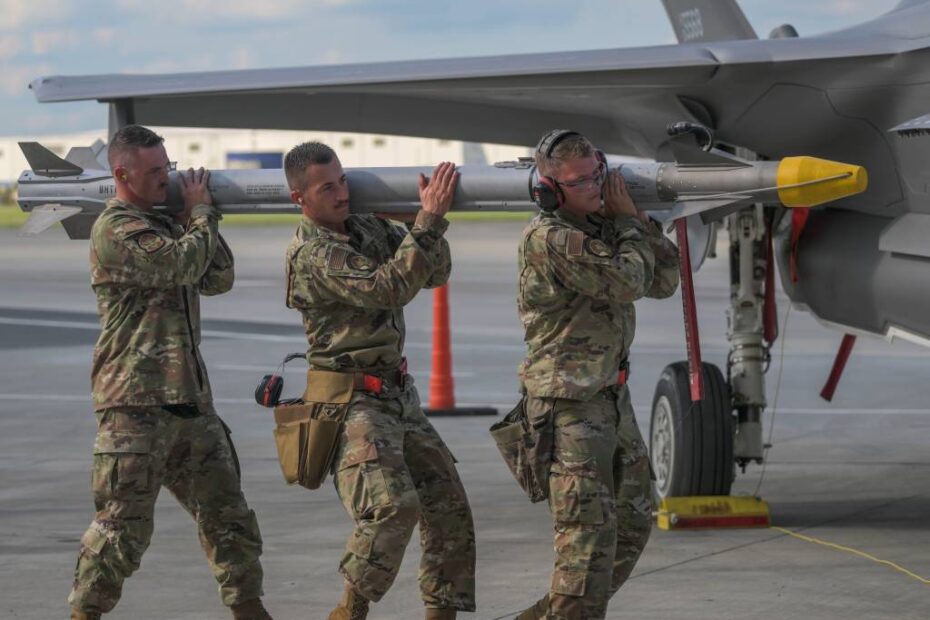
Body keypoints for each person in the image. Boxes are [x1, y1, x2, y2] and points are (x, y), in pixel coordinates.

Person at [68, 125, 270, 620]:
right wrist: (199, 214)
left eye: (169, 167)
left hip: (190, 405)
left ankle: (250, 610)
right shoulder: (116, 228)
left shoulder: (164, 227)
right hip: (134, 410)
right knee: (121, 532)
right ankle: (84, 614)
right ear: (122, 174)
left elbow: (217, 277)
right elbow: (182, 266)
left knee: (230, 521)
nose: (167, 177)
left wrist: (193, 219)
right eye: (155, 171)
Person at [282, 142, 476, 620]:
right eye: (327, 187)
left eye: (344, 181)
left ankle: (441, 612)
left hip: (396, 396)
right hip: (352, 402)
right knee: (391, 508)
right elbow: (388, 288)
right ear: (300, 198)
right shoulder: (313, 253)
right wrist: (426, 222)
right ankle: (350, 609)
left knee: (449, 508)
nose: (342, 194)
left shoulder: (365, 228)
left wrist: (420, 221)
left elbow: (434, 273)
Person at [514, 130, 680, 620]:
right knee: (584, 548)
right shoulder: (550, 238)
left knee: (631, 525)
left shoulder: (601, 228)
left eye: (597, 176)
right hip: (568, 407)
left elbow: (665, 282)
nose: (593, 186)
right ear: (549, 187)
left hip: (609, 398)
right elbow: (628, 281)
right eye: (580, 181)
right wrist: (630, 223)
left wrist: (638, 226)